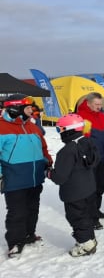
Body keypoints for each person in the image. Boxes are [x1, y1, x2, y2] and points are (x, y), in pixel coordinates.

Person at [0, 94, 54, 258]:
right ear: (16, 108)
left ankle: (29, 234)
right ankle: (15, 242)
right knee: (17, 212)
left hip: (34, 178)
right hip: (14, 179)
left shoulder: (33, 127)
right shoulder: (2, 127)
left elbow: (43, 148)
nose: (32, 110)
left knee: (32, 208)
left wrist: (48, 162)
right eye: (29, 107)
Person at [47, 114, 99, 257]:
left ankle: (86, 245)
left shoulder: (67, 151)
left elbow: (60, 177)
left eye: (60, 130)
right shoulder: (88, 142)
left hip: (74, 193)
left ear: (69, 130)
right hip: (88, 188)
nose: (60, 133)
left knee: (77, 217)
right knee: (86, 215)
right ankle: (90, 238)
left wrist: (48, 172)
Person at [77, 92, 104, 229]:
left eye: (100, 104)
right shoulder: (82, 118)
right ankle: (91, 217)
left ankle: (96, 209)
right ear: (89, 103)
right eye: (96, 104)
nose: (99, 106)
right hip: (91, 159)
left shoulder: (102, 116)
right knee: (90, 188)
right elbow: (81, 141)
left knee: (100, 186)